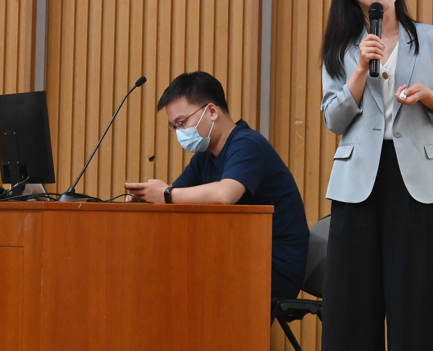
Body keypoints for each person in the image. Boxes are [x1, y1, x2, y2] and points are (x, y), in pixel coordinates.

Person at [319, 0, 433, 351]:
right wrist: (358, 71)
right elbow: (333, 119)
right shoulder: (341, 48)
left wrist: (429, 97)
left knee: (418, 300)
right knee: (352, 302)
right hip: (358, 182)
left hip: (416, 182)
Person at [125, 72, 309, 313]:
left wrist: (166, 194)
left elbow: (224, 195)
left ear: (211, 111)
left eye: (182, 123)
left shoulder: (247, 144)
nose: (179, 132)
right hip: (237, 257)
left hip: (273, 266)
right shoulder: (204, 157)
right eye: (174, 127)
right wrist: (145, 199)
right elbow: (175, 199)